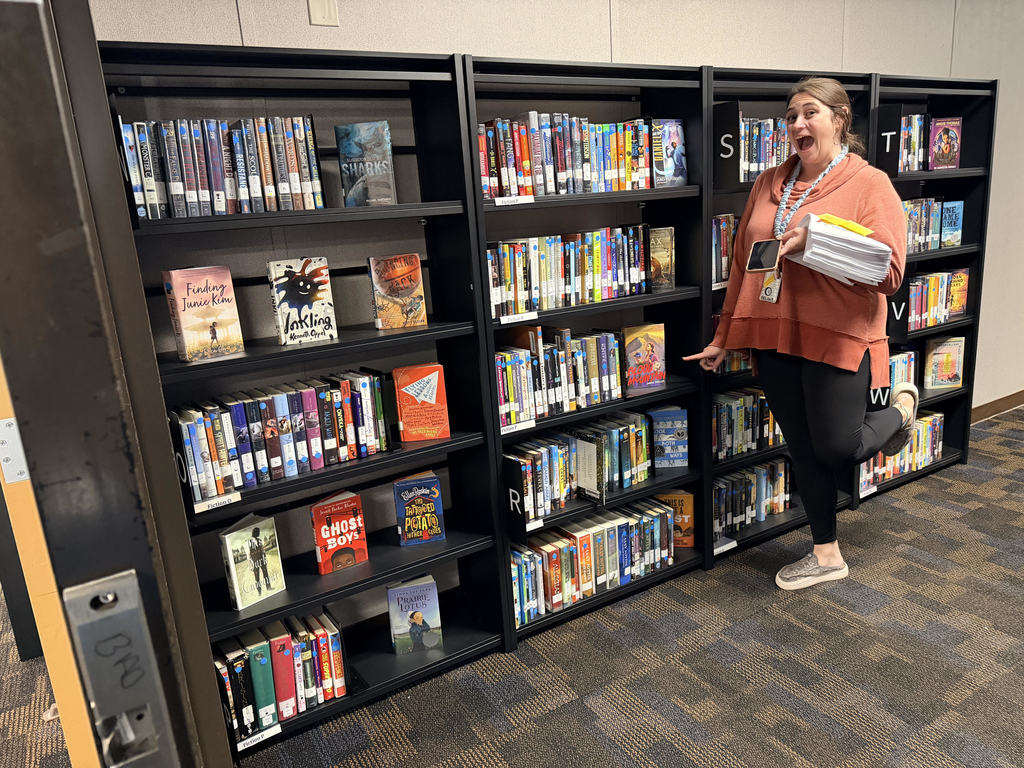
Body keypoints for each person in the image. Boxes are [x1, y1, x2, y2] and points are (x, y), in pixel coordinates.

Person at [684, 76, 918, 591]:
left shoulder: (870, 183)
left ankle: (901, 410)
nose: (797, 124)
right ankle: (826, 554)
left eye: (809, 113)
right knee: (803, 449)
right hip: (775, 336)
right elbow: (745, 265)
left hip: (838, 335)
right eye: (790, 116)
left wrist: (823, 241)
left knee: (836, 447)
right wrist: (725, 336)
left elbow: (891, 274)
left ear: (839, 119)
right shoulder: (768, 182)